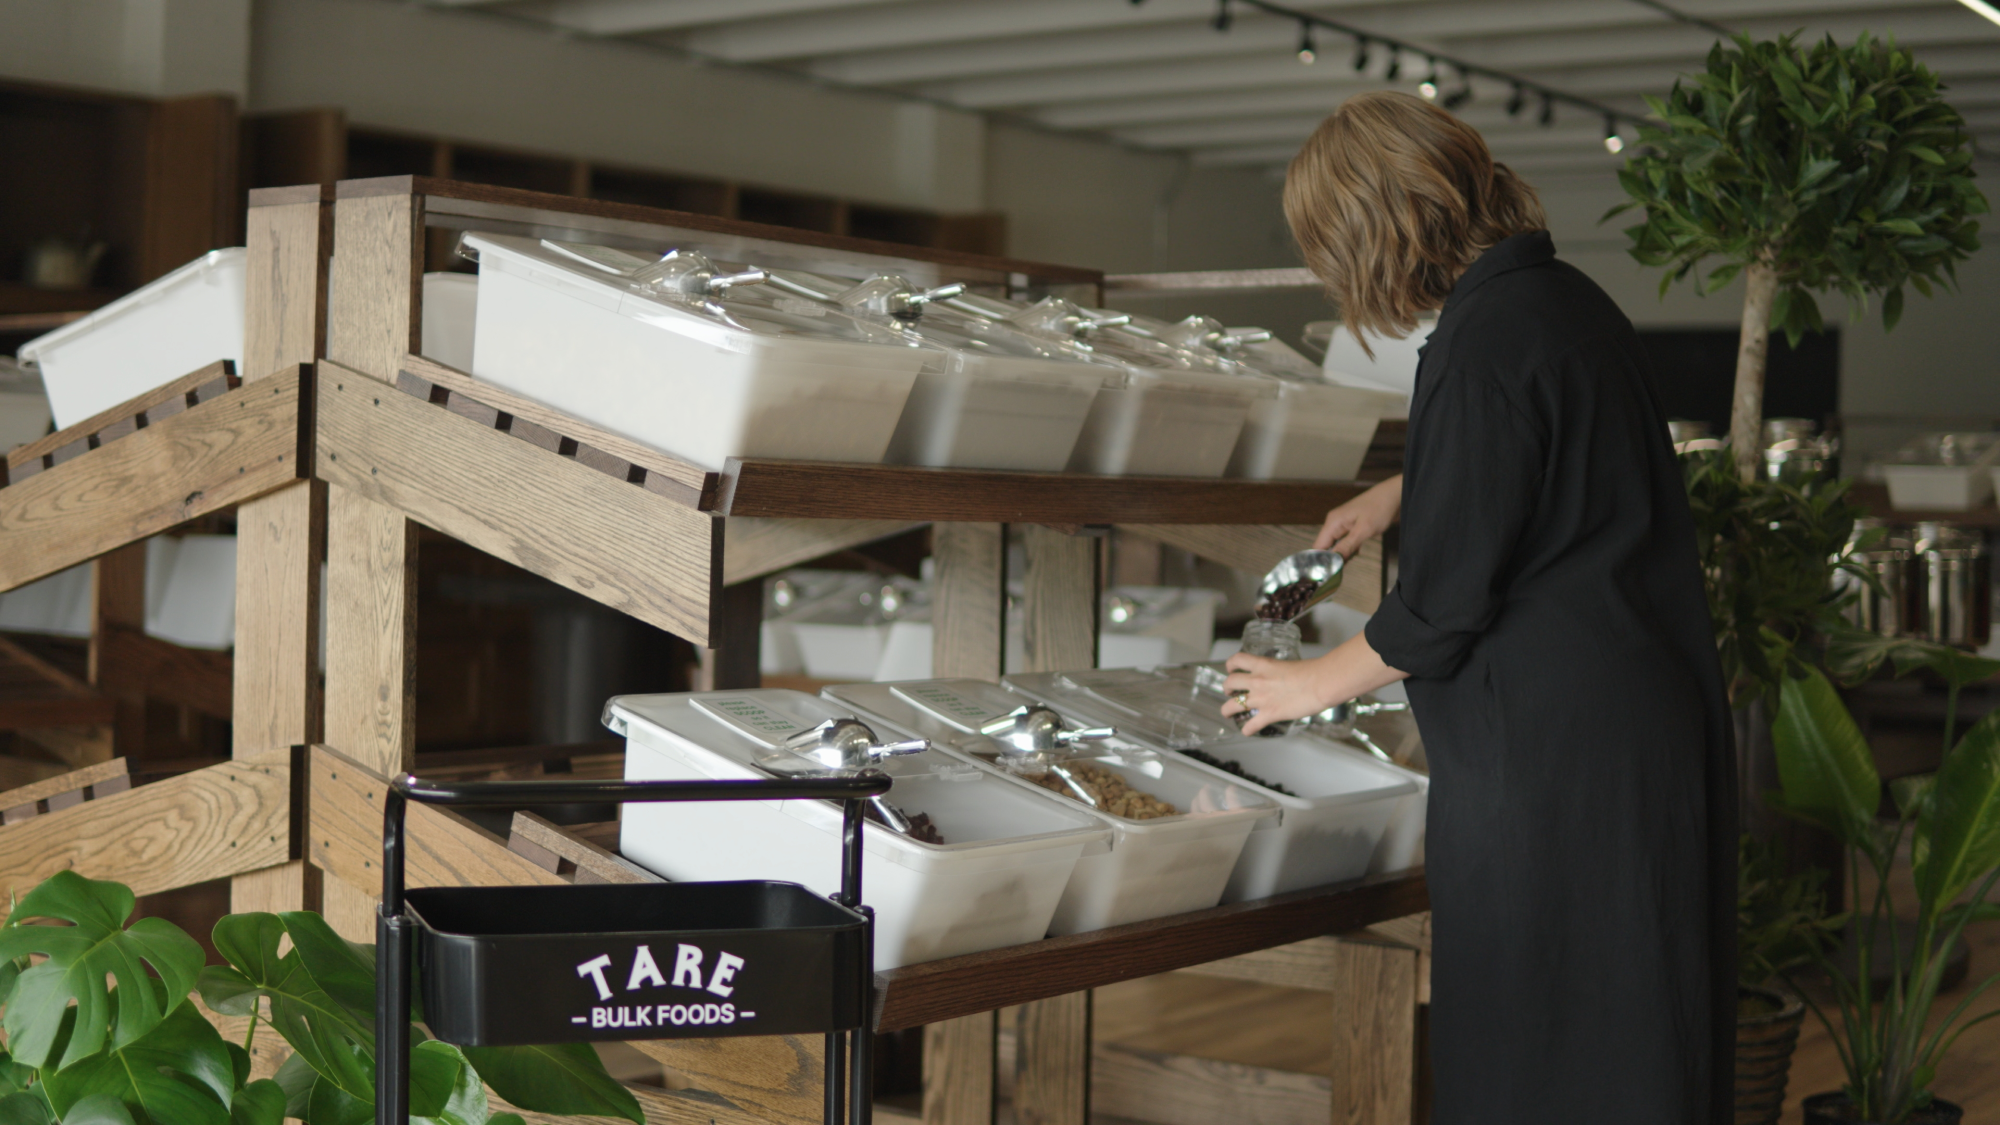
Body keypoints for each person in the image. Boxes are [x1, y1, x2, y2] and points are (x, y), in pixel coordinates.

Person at [1224, 91, 1736, 1123]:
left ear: (1375, 230)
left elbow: (1441, 610)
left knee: (1546, 1039)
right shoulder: (1562, 298)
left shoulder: (1477, 340)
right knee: (1637, 1021)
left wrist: (1298, 686)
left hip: (1555, 760)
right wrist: (1404, 489)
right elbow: (1550, 454)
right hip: (1637, 728)